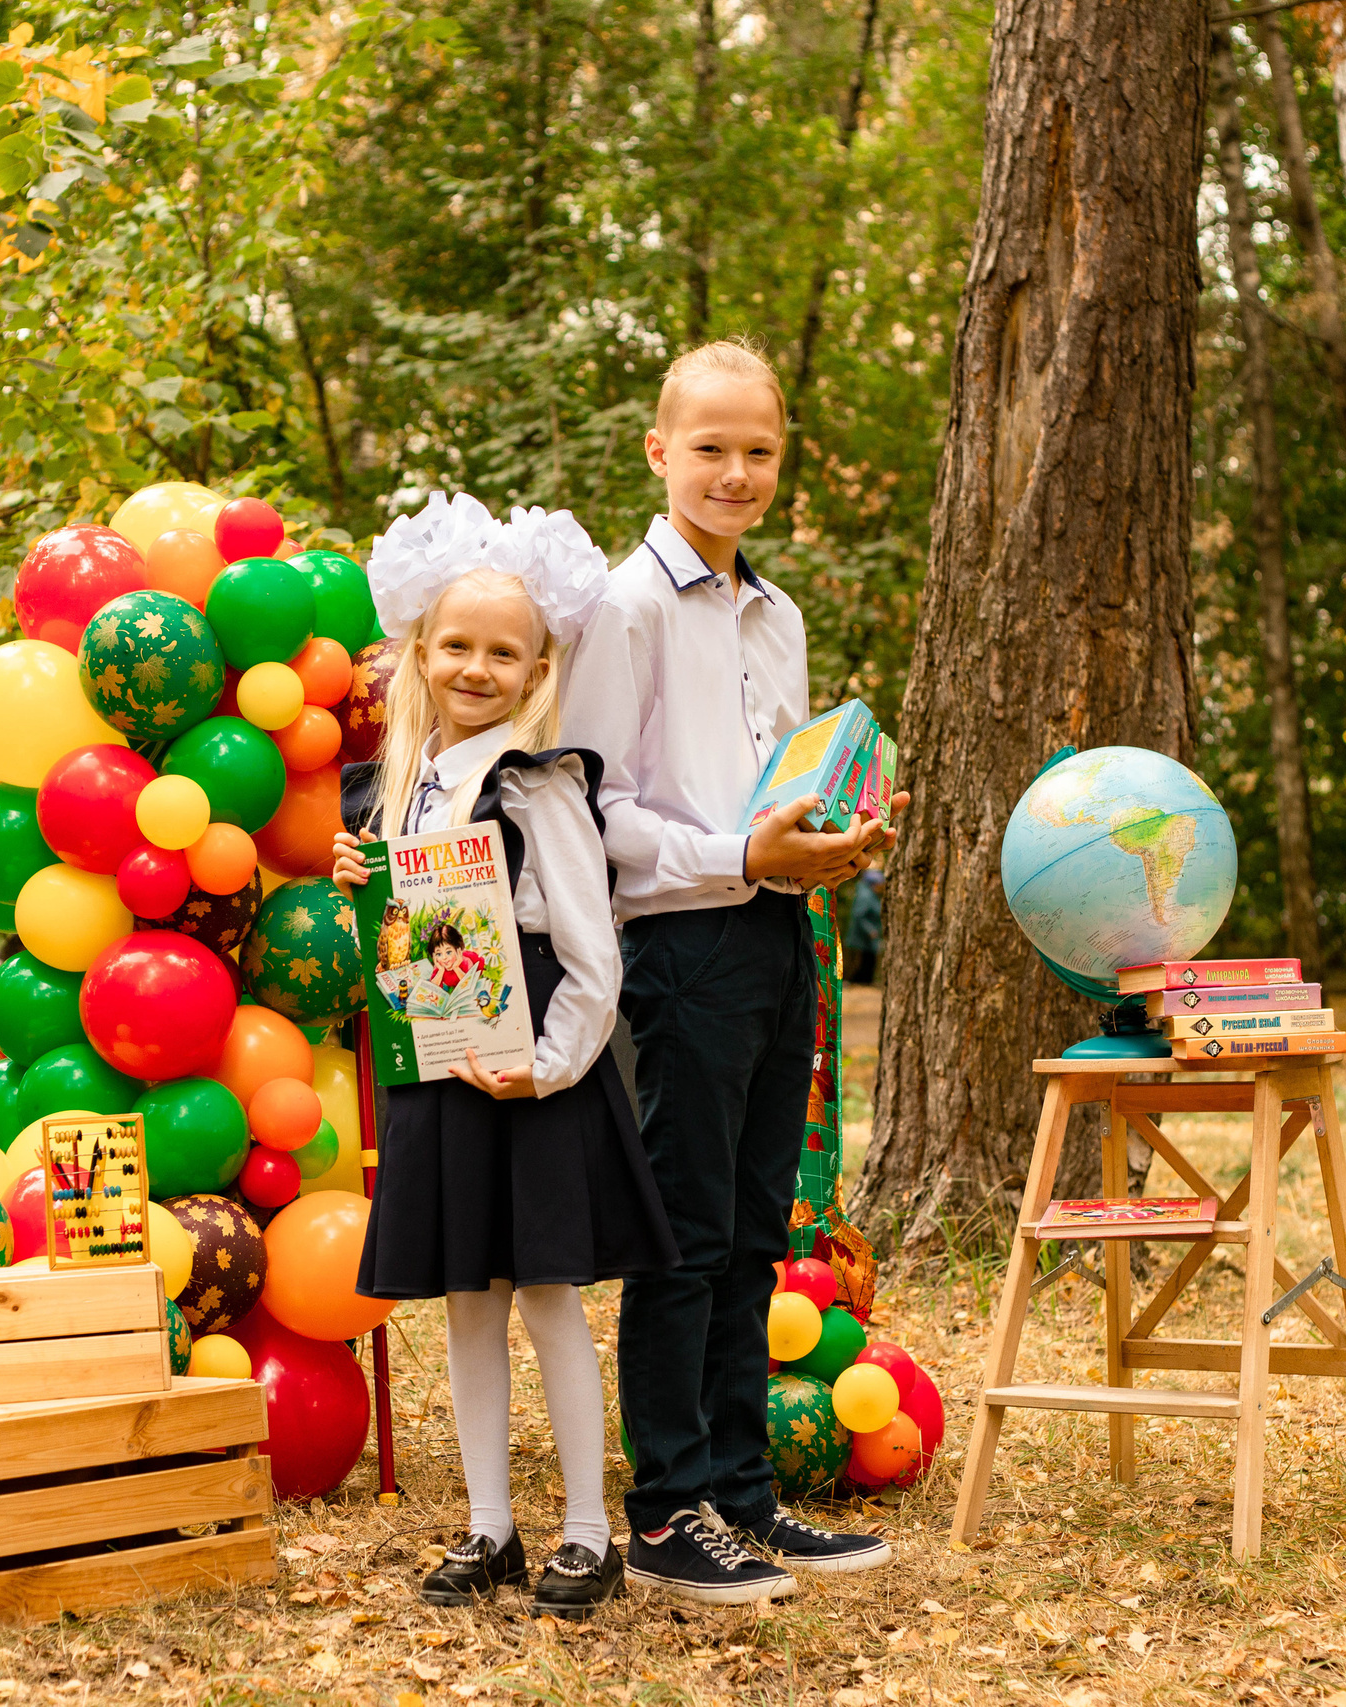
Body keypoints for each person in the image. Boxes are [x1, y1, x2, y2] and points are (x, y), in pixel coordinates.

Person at [564, 339, 905, 1605]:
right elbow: (590, 814)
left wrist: (833, 845)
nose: (736, 471)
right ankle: (663, 1513)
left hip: (776, 936)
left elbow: (777, 795)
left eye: (758, 450)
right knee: (685, 1234)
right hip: (680, 946)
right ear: (659, 454)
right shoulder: (626, 607)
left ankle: (741, 1497)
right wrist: (737, 854)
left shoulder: (780, 613)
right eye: (710, 447)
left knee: (760, 1228)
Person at [333, 492, 681, 1620]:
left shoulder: (540, 784)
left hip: (531, 1072)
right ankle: (491, 1528)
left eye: (503, 652)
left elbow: (592, 956)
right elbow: (424, 949)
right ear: (420, 654)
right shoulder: (400, 789)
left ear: (537, 672)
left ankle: (588, 1533)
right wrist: (366, 892)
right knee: (465, 1306)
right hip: (439, 1065)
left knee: (544, 1298)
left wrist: (553, 1063)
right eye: (456, 646)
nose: (476, 667)